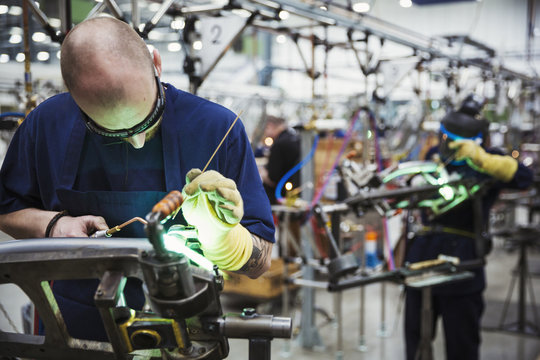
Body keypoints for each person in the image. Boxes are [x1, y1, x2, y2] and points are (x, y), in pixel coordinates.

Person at [0, 16, 274, 341]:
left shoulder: (216, 128)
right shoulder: (45, 124)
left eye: (146, 122)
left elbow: (261, 262)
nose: (136, 141)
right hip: (74, 330)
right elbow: (6, 210)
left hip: (187, 330)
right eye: (111, 132)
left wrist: (221, 237)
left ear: (155, 62)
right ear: (73, 95)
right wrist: (54, 225)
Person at [404, 94, 533, 360]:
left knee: (462, 343)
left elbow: (525, 178)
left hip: (463, 262)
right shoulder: (435, 157)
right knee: (416, 340)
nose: (446, 144)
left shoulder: (489, 161)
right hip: (422, 256)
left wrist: (482, 159)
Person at [260, 115, 301, 204]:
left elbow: (273, 178)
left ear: (270, 126)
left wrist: (262, 173)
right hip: (297, 191)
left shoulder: (279, 144)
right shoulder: (295, 138)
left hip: (280, 196)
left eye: (265, 129)